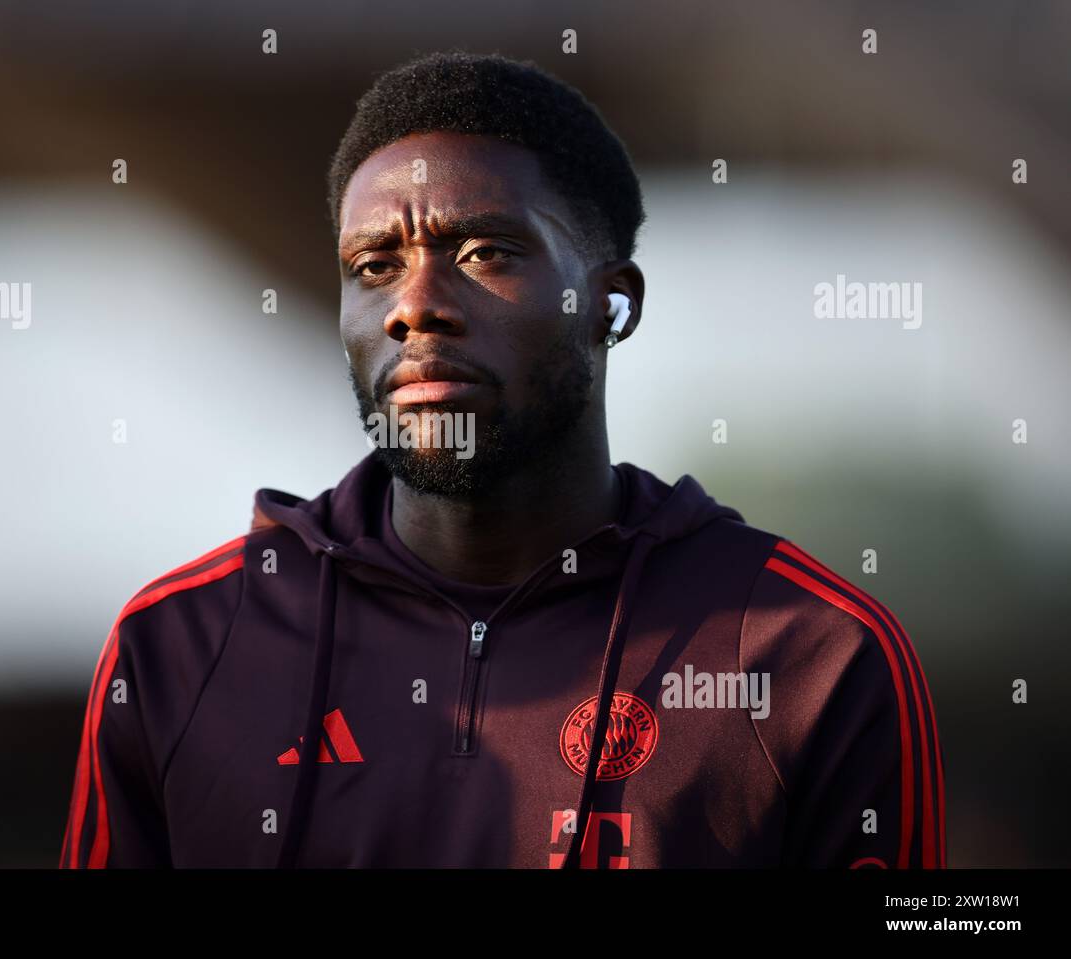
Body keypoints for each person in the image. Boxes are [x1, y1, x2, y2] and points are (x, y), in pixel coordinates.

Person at [60, 51, 944, 869]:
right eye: (373, 265)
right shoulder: (180, 646)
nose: (413, 309)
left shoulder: (807, 657)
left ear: (611, 302)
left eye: (484, 252)